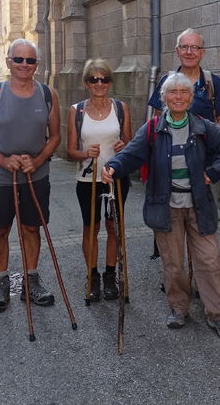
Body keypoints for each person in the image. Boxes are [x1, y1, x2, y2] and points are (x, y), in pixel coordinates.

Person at [102, 73, 220, 340]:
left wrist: (213, 173)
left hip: (199, 204)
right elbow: (131, 153)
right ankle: (178, 308)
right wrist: (114, 167)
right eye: (173, 92)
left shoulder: (203, 126)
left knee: (209, 261)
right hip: (166, 206)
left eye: (183, 92)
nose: (178, 97)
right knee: (173, 263)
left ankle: (219, 314)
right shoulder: (153, 128)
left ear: (190, 98)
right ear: (164, 98)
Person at [0, 38, 61, 313]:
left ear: (37, 64)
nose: (24, 64)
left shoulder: (47, 94)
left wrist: (38, 160)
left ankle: (31, 281)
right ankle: (1, 283)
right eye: (18, 59)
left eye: (30, 60)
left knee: (31, 228)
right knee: (0, 230)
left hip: (35, 175)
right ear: (8, 62)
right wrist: (3, 160)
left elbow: (55, 136)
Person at [66, 59, 132, 303]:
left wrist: (123, 146)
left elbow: (131, 145)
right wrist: (85, 153)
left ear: (110, 82)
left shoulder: (121, 108)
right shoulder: (76, 111)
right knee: (91, 228)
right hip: (88, 178)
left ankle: (110, 274)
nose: (99, 83)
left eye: (104, 79)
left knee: (114, 226)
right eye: (94, 79)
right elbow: (70, 151)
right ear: (86, 83)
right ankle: (92, 275)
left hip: (115, 176)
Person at [148, 28, 220, 129]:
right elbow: (157, 120)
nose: (189, 52)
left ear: (202, 53)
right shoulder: (166, 81)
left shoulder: (212, 82)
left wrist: (205, 135)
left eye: (195, 47)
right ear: (177, 51)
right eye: (184, 47)